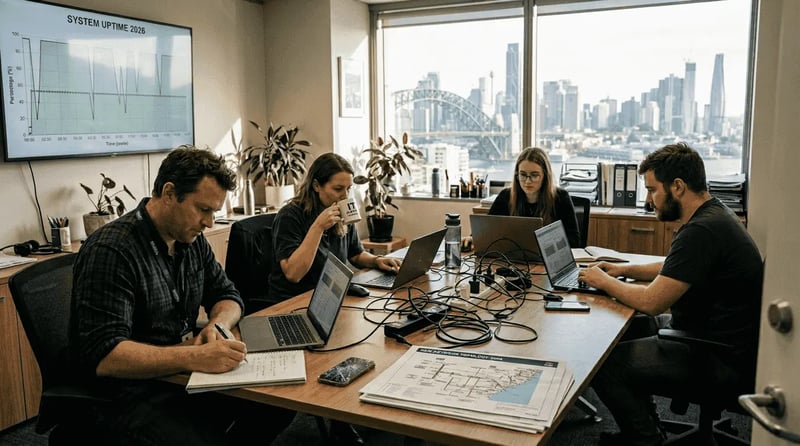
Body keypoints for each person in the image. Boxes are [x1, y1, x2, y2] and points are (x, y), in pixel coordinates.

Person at [70, 146, 296, 445]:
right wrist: (194, 356)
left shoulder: (190, 240)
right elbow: (106, 356)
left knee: (279, 402)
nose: (210, 223)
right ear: (168, 193)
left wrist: (218, 325)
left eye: (214, 212)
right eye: (203, 209)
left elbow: (227, 295)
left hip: (178, 375)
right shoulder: (113, 250)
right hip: (125, 394)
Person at [579, 142, 763, 446]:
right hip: (720, 338)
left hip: (718, 355)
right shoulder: (713, 214)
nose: (650, 201)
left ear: (677, 187)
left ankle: (645, 440)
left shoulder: (701, 232)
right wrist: (620, 269)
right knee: (630, 328)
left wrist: (602, 280)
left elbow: (652, 302)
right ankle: (642, 426)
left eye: (652, 190)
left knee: (606, 365)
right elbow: (675, 267)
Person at [270, 152, 399, 445]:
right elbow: (293, 273)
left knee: (373, 335)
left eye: (348, 189)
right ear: (317, 186)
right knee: (352, 342)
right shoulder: (292, 216)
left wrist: (376, 261)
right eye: (337, 189)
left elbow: (353, 254)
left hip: (333, 297)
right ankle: (340, 419)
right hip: (295, 303)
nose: (345, 195)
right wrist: (317, 227)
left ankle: (357, 412)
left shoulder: (342, 211)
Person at [462, 146, 580, 250]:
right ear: (517, 175)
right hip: (512, 261)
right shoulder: (505, 196)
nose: (527, 181)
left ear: (545, 176)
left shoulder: (561, 198)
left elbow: (574, 242)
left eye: (534, 175)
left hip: (546, 263)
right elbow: (488, 231)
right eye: (523, 175)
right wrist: (473, 238)